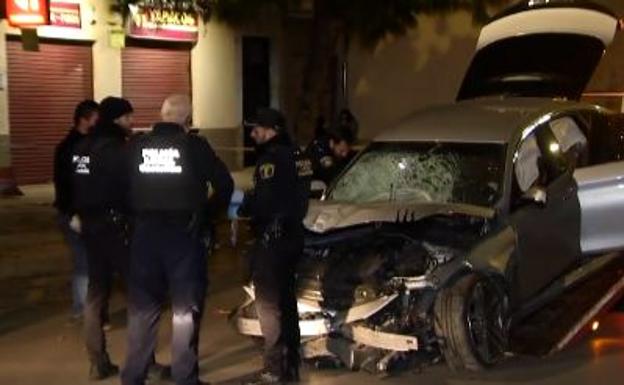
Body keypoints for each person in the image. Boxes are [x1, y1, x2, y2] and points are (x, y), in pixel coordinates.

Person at [122, 95, 233, 385]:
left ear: (161, 114)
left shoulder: (135, 146)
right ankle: (185, 378)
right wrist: (207, 215)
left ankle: (133, 376)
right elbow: (225, 185)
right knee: (185, 311)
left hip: (144, 236)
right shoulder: (195, 147)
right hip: (183, 236)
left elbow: (118, 187)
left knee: (142, 309)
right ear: (188, 118)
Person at [239, 108, 311, 385]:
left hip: (273, 237)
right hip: (294, 234)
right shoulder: (299, 154)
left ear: (271, 130)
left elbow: (264, 202)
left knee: (268, 305)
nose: (253, 133)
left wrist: (246, 204)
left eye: (256, 128)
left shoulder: (271, 159)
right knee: (287, 300)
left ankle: (274, 369)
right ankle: (290, 364)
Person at [71, 96, 135, 380]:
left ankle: (98, 362)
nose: (131, 123)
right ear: (116, 119)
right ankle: (142, 360)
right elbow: (130, 188)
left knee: (95, 296)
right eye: (127, 118)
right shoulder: (116, 149)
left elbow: (75, 185)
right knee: (139, 295)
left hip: (90, 227)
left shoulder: (82, 147)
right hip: (115, 228)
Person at [54, 99, 99, 322]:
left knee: (88, 260)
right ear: (84, 120)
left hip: (83, 212)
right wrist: (72, 213)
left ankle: (86, 306)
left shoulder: (87, 144)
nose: (98, 123)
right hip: (74, 213)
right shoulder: (71, 148)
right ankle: (82, 308)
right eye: (95, 119)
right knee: (83, 261)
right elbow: (64, 183)